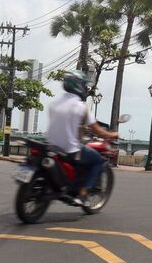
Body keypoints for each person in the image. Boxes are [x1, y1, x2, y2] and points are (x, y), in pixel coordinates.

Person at [46, 71, 118, 206]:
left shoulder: (54, 103)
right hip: (70, 150)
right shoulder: (81, 107)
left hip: (51, 146)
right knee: (97, 160)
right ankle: (83, 193)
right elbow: (98, 130)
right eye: (85, 86)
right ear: (79, 86)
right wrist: (112, 135)